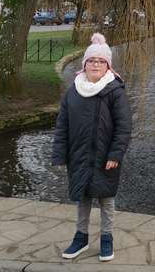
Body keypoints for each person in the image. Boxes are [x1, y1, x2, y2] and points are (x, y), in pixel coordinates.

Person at [52, 33, 132, 262]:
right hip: (78, 155)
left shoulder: (115, 91)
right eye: (91, 61)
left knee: (106, 199)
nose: (95, 64)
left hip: (105, 156)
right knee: (82, 197)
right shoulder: (73, 90)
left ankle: (107, 238)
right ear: (84, 64)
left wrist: (116, 154)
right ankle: (81, 237)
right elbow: (62, 124)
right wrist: (59, 155)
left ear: (107, 66)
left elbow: (124, 127)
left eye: (100, 61)